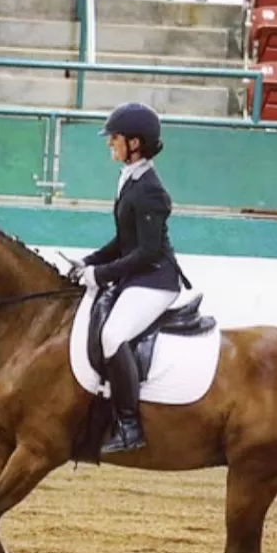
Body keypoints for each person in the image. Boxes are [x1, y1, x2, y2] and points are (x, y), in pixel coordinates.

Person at [68, 101, 192, 455]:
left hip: (156, 280)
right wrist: (87, 262)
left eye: (115, 138)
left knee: (111, 335)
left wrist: (101, 273)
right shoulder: (130, 179)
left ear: (135, 143)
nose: (110, 144)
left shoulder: (150, 189)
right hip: (139, 275)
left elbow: (148, 252)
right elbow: (125, 241)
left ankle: (129, 424)